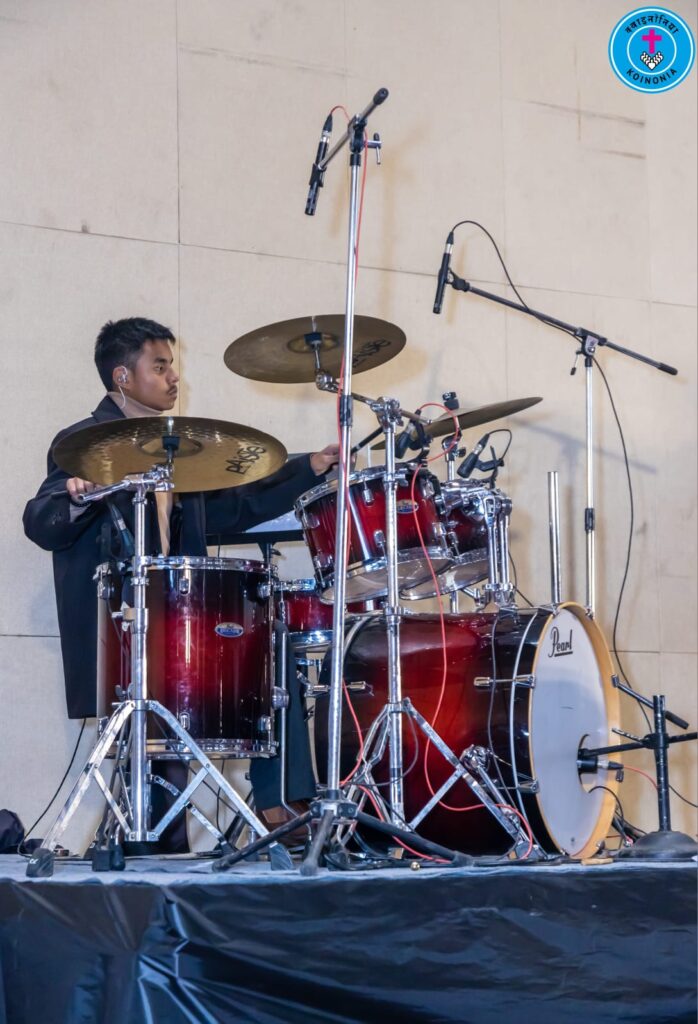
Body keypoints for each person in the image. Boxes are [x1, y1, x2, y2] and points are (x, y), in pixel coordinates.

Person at [23, 317, 338, 848]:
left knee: (272, 639)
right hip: (123, 622)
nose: (174, 378)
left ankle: (281, 801)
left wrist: (310, 467)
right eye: (161, 366)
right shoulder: (85, 445)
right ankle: (155, 852)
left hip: (185, 614)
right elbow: (41, 522)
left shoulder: (179, 451)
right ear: (123, 376)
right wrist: (79, 495)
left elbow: (235, 506)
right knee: (158, 757)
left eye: (173, 366)